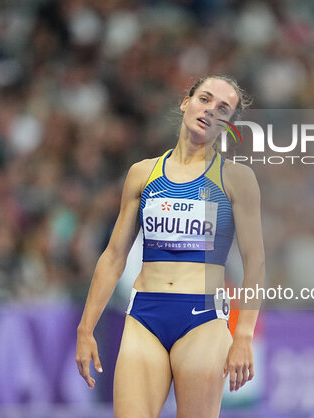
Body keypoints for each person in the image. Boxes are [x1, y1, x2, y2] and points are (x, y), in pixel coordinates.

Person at [75, 75, 265, 417]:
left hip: (203, 321)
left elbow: (256, 263)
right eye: (204, 99)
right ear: (185, 102)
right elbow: (114, 255)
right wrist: (85, 328)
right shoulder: (142, 174)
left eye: (224, 108)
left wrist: (245, 336)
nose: (210, 111)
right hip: (145, 316)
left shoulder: (237, 179)